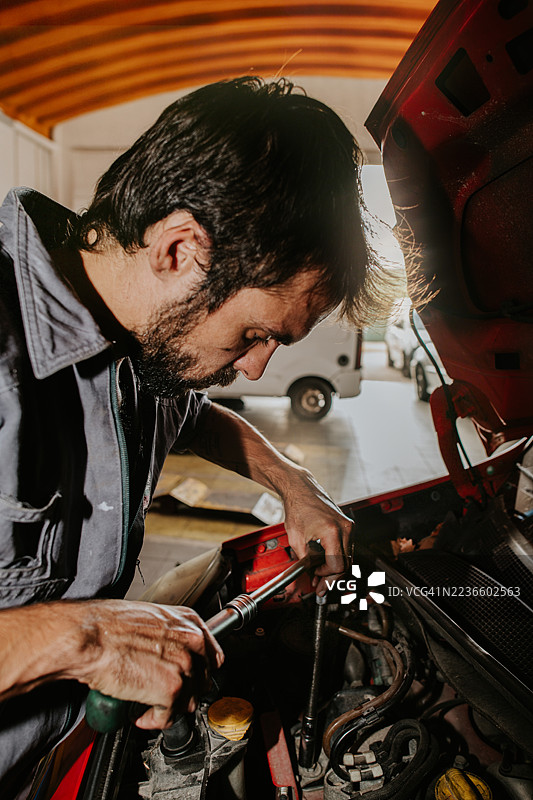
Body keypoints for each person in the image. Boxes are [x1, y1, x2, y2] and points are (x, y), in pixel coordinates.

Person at [0, 76, 392, 789]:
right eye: (252, 334)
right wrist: (82, 638)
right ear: (180, 249)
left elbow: (192, 415)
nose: (249, 368)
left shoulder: (136, 342)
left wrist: (293, 485)